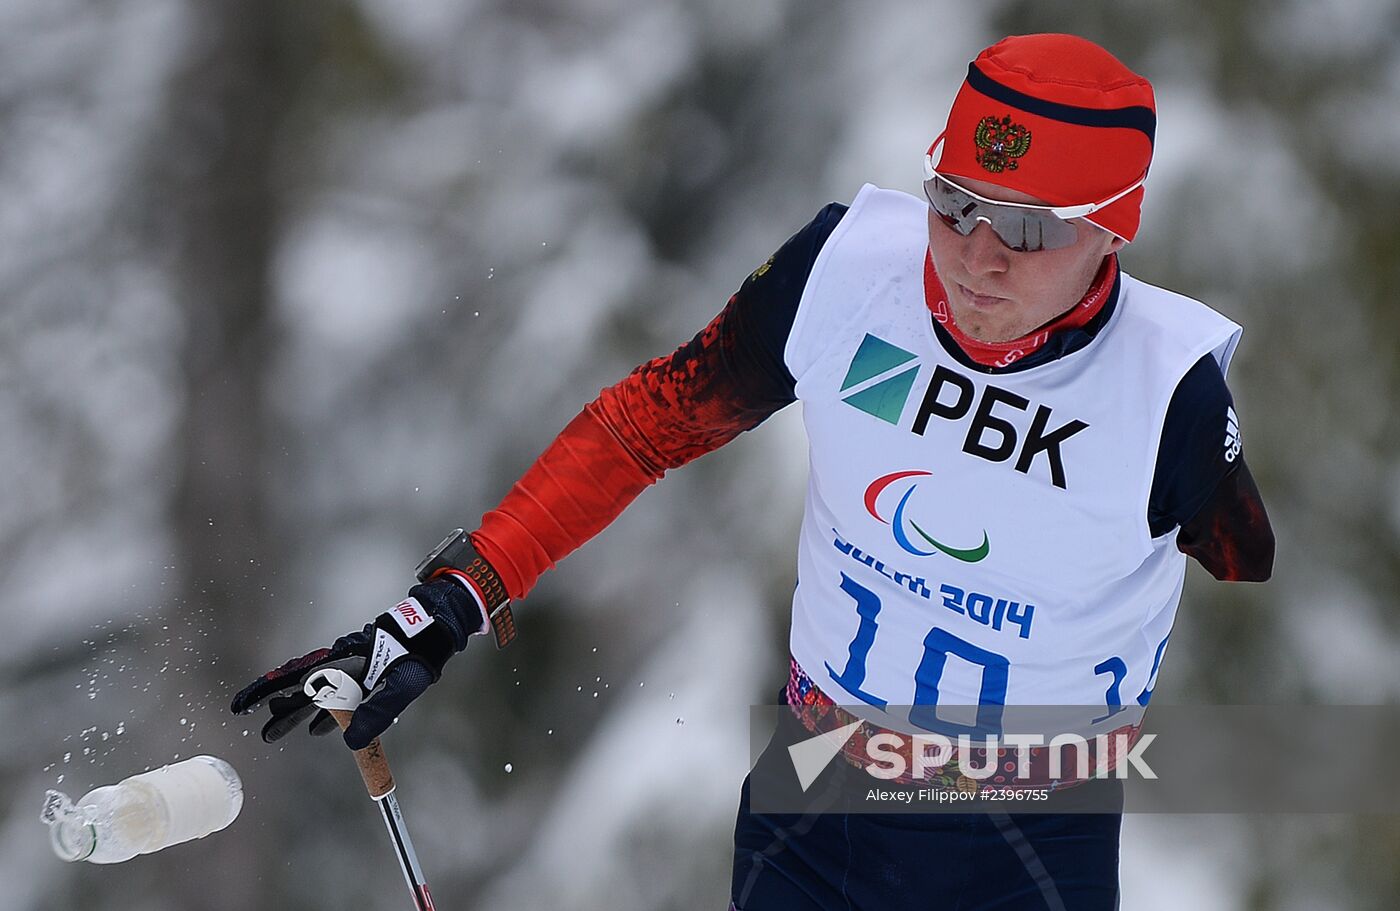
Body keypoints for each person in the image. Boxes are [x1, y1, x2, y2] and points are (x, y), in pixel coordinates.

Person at [233, 33, 1274, 910]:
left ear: (1112, 227)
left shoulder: (1166, 395)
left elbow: (1239, 555)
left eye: (1028, 226)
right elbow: (643, 425)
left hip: (1028, 831)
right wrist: (450, 601)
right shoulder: (843, 273)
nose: (976, 255)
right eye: (954, 200)